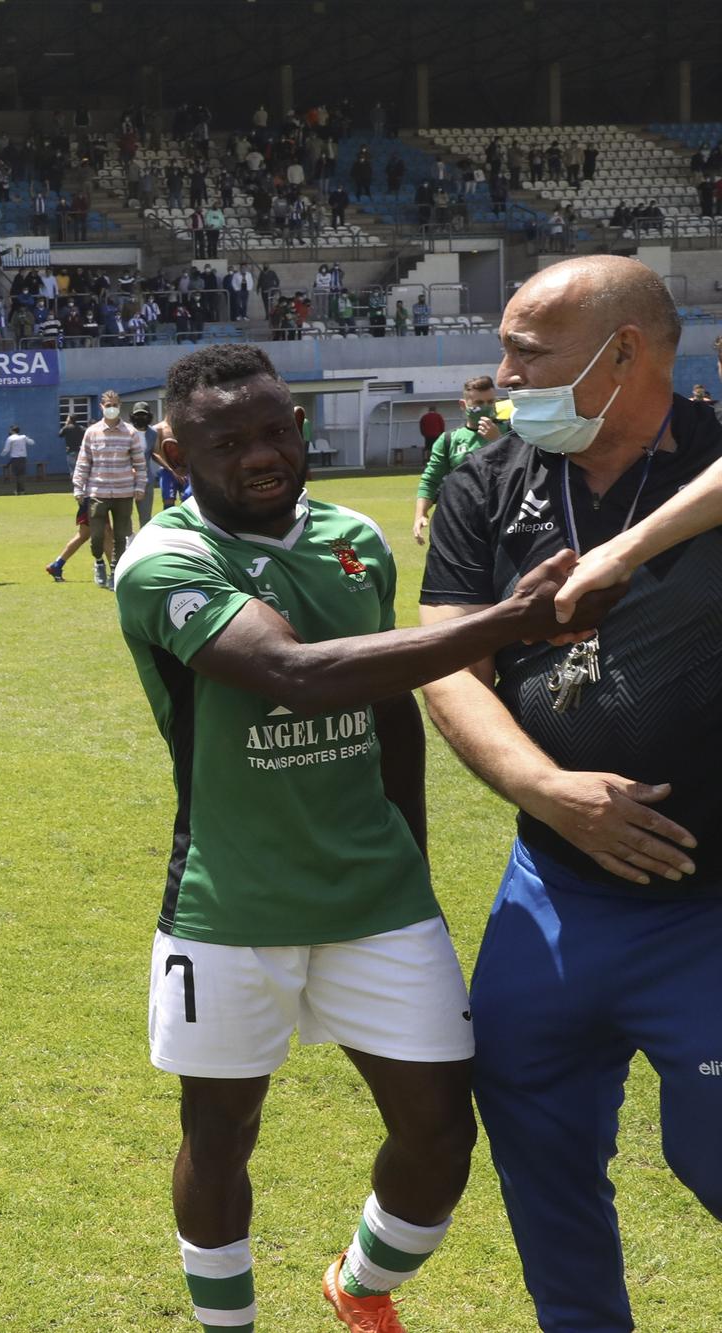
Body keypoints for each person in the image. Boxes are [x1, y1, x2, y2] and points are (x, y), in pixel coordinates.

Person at [116, 344, 617, 1333]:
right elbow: (296, 672)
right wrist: (506, 622)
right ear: (175, 451)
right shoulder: (160, 560)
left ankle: (359, 1282)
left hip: (376, 899)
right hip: (228, 904)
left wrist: (413, 865)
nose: (259, 454)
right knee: (218, 1136)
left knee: (438, 1134)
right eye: (228, 441)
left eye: (273, 430)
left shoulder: (353, 537)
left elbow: (387, 703)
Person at [416, 255, 722, 1333]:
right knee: (535, 1141)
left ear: (622, 353)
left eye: (527, 352)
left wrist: (628, 551)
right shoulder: (486, 478)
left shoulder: (708, 452)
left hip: (708, 903)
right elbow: (442, 662)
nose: (501, 375)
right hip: (553, 891)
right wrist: (543, 788)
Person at [411, 375, 504, 545]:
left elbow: (522, 467)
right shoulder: (449, 440)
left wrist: (498, 441)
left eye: (490, 402)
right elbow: (431, 480)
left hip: (503, 517)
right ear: (464, 405)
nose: (486, 408)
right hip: (463, 519)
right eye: (478, 403)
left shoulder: (511, 432)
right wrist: (420, 514)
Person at [71, 391, 149, 587]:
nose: (111, 408)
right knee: (96, 536)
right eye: (108, 405)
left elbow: (139, 464)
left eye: (115, 404)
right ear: (101, 407)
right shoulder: (92, 432)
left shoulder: (130, 432)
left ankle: (115, 572)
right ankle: (98, 562)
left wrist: (140, 486)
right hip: (98, 492)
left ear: (120, 406)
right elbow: (83, 462)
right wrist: (78, 487)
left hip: (124, 492)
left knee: (121, 536)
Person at [130, 403, 161, 525]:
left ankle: (144, 540)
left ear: (149, 416)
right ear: (132, 416)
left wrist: (170, 468)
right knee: (125, 515)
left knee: (145, 515)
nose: (141, 417)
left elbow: (155, 453)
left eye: (143, 415)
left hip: (146, 478)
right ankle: (127, 540)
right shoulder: (127, 431)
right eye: (138, 415)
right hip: (126, 478)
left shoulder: (153, 433)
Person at [2, 424, 32, 495]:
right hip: (23, 458)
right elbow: (31, 442)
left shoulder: (10, 438)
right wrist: (28, 438)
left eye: (10, 430)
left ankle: (19, 490)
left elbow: (6, 450)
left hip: (15, 459)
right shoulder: (23, 437)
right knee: (21, 475)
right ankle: (21, 490)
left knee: (17, 475)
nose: (9, 431)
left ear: (12, 431)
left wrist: (1, 455)